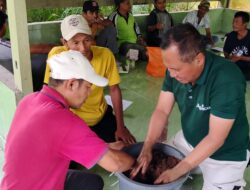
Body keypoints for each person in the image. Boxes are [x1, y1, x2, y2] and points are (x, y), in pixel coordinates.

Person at [131, 23, 250, 190]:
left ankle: (233, 178)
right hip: (189, 141)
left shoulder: (227, 78)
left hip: (225, 154)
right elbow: (162, 110)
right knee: (154, 163)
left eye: (175, 69)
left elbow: (216, 138)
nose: (171, 74)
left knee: (174, 171)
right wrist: (148, 145)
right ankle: (193, 163)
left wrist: (179, 169)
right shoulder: (174, 71)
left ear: (198, 59)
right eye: (168, 68)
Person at [0, 50, 135, 190]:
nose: (89, 94)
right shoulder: (63, 120)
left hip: (19, 183)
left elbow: (58, 142)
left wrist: (107, 147)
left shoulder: (30, 100)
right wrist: (139, 162)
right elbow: (116, 164)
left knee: (92, 182)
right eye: (87, 87)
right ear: (71, 84)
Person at [44, 15, 136, 144]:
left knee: (126, 147)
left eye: (87, 40)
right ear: (64, 42)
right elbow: (50, 93)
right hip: (72, 120)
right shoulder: (58, 57)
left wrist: (120, 127)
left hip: (100, 116)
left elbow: (114, 89)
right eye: (75, 43)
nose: (83, 48)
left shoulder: (105, 55)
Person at [0, 10, 55, 91]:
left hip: (9, 75)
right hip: (15, 80)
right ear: (3, 25)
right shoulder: (3, 45)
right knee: (44, 60)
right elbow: (38, 49)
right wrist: (57, 47)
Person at [223, 11, 250, 80]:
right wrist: (229, 58)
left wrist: (241, 57)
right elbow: (226, 51)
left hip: (248, 67)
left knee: (239, 76)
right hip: (234, 64)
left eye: (237, 22)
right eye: (233, 21)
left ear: (245, 24)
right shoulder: (231, 36)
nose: (233, 24)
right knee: (219, 70)